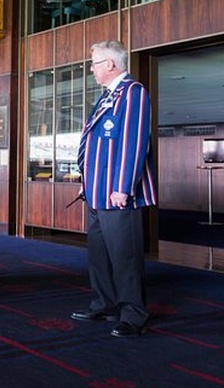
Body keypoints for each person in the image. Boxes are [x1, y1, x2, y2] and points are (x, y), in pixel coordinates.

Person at [71, 40, 157, 337]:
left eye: (94, 63)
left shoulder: (133, 92)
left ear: (110, 64)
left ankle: (133, 313)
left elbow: (133, 143)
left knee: (125, 256)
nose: (91, 68)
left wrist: (123, 187)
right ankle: (104, 304)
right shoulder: (108, 96)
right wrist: (86, 181)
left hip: (116, 192)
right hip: (96, 191)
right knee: (99, 254)